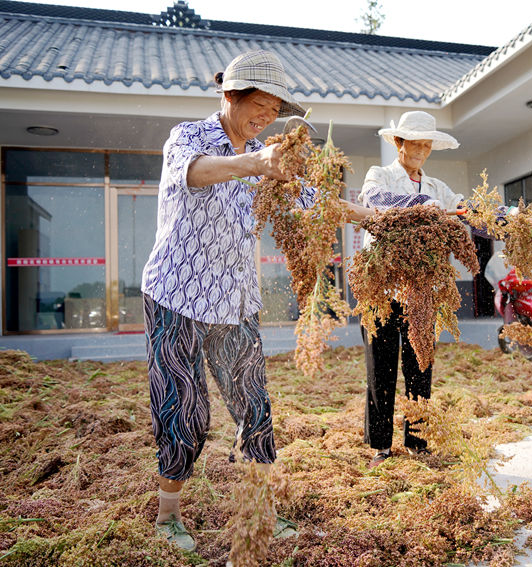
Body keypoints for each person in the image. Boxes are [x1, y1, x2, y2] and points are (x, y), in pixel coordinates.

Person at [141, 50, 370, 551]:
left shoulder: (272, 156)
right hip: (175, 294)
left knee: (255, 409)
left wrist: (374, 218)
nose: (265, 119)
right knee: (185, 412)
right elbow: (197, 173)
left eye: (273, 112)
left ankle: (261, 509)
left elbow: (316, 204)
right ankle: (167, 516)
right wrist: (255, 161)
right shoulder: (190, 138)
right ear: (229, 96)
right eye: (258, 107)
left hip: (235, 302)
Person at [357, 111, 465, 467]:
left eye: (426, 145)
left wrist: (495, 215)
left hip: (422, 290)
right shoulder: (381, 175)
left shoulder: (437, 188)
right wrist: (419, 206)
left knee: (420, 367)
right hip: (383, 290)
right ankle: (381, 447)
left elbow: (462, 208)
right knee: (381, 369)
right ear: (398, 144)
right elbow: (375, 200)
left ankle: (419, 443)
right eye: (414, 143)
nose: (420, 150)